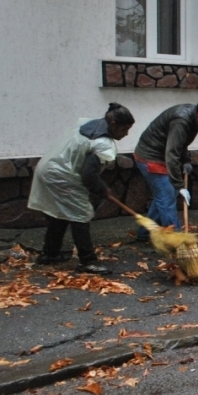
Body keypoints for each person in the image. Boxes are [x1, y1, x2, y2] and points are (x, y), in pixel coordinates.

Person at [27, 103, 135, 274]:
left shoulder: (90, 125)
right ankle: (87, 261)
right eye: (125, 129)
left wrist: (100, 188)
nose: (126, 133)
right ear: (113, 125)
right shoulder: (102, 143)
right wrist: (102, 189)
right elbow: (89, 175)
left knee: (60, 212)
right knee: (81, 213)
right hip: (61, 174)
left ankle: (50, 254)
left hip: (48, 167)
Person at [133, 95, 198, 241]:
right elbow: (172, 153)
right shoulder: (182, 121)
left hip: (163, 156)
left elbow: (181, 144)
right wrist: (179, 185)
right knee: (167, 197)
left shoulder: (193, 119)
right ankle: (178, 242)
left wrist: (186, 161)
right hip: (151, 157)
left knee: (164, 197)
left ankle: (145, 232)